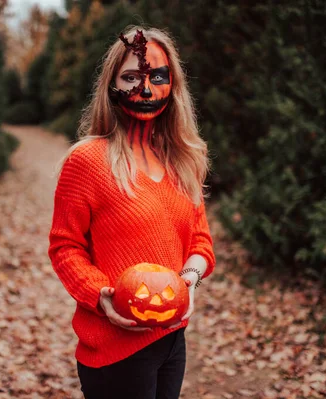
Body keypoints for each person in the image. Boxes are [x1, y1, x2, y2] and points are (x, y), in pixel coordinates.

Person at [47, 26, 216, 399]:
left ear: (173, 86)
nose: (145, 89)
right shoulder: (88, 161)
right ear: (111, 85)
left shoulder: (181, 161)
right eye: (131, 77)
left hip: (173, 339)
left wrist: (189, 281)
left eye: (157, 77)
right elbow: (64, 247)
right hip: (115, 349)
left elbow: (201, 241)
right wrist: (99, 296)